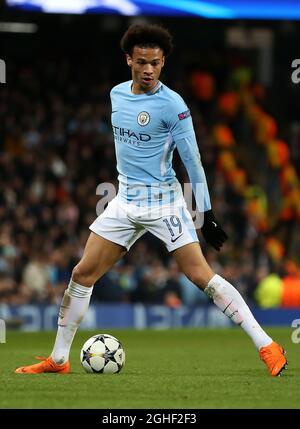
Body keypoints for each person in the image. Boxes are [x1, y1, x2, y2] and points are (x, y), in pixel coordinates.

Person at [15, 24, 287, 376]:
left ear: (163, 64)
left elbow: (193, 161)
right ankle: (59, 360)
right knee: (82, 273)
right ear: (129, 59)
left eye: (155, 63)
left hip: (164, 203)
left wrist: (207, 211)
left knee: (200, 275)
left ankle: (267, 345)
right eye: (141, 62)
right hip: (124, 201)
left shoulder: (173, 105)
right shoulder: (116, 95)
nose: (148, 70)